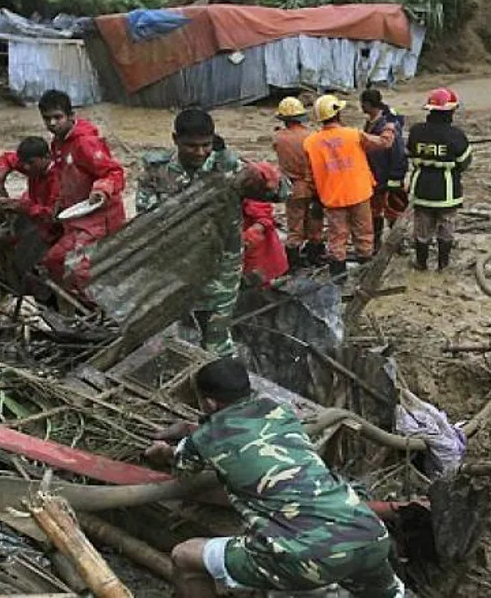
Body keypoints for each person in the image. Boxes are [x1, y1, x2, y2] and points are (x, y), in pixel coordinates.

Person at [146, 359, 405, 598]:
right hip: (370, 534)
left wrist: (163, 452)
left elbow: (183, 469)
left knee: (184, 556)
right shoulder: (277, 410)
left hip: (307, 557)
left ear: (210, 403)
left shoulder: (206, 438)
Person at [135, 107, 284, 359]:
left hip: (220, 270)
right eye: (191, 146)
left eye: (206, 145)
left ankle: (222, 376)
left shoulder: (229, 166)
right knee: (174, 340)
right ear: (175, 140)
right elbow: (146, 220)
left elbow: (279, 194)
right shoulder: (156, 171)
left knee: (217, 339)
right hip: (175, 270)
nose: (200, 152)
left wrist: (269, 180)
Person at [38, 90, 126, 290]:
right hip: (77, 217)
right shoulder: (57, 144)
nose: (52, 123)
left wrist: (101, 190)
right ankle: (71, 302)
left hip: (100, 218)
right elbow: (63, 177)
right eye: (47, 119)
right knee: (53, 260)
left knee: (80, 272)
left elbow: (114, 172)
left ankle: (93, 305)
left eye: (57, 117)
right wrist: (58, 202)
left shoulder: (85, 143)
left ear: (71, 116)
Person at [302, 94, 396, 279]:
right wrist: (390, 126)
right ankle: (365, 274)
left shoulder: (310, 143)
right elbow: (384, 143)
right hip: (359, 193)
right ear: (338, 113)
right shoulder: (353, 135)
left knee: (337, 239)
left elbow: (309, 176)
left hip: (332, 198)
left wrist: (315, 199)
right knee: (364, 235)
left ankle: (338, 278)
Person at [406, 87, 471, 271]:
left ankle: (421, 263)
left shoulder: (416, 131)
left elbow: (409, 153)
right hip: (447, 191)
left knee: (422, 228)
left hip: (422, 189)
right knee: (446, 227)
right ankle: (443, 265)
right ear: (450, 111)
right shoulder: (456, 135)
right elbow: (465, 162)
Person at [272, 97, 324, 269]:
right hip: (313, 187)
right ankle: (314, 256)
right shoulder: (312, 136)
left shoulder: (279, 138)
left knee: (295, 226)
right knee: (315, 223)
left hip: (291, 187)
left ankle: (293, 262)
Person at [361, 89, 408, 254]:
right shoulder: (372, 122)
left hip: (387, 175)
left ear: (368, 104)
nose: (361, 107)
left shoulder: (387, 125)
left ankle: (398, 243)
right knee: (375, 212)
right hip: (375, 175)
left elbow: (398, 152)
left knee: (393, 210)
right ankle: (377, 243)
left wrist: (395, 177)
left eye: (363, 103)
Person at [0, 136, 59, 243]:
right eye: (24, 163)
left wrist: (22, 207)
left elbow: (52, 215)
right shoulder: (33, 166)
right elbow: (7, 159)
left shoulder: (58, 178)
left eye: (31, 163)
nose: (26, 167)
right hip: (34, 208)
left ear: (47, 157)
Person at [241, 198, 288, 287]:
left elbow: (264, 218)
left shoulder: (249, 199)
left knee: (257, 281)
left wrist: (249, 236)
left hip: (256, 253)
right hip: (250, 250)